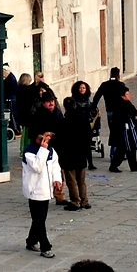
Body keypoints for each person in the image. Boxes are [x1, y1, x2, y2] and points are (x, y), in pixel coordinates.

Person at [21, 130, 62, 259]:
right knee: (39, 219)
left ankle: (31, 240)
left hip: (46, 189)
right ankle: (45, 247)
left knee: (40, 217)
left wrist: (57, 179)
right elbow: (37, 167)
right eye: (45, 137)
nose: (47, 139)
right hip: (35, 190)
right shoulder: (29, 151)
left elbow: (55, 165)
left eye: (50, 136)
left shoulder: (51, 150)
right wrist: (43, 150)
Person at [56, 97, 91, 211]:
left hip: (68, 154)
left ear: (65, 107)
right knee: (81, 180)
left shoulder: (63, 122)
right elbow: (88, 137)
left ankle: (75, 201)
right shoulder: (83, 119)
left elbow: (60, 140)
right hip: (81, 152)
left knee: (71, 180)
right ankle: (84, 200)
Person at [107, 89, 137, 173]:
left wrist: (135, 117)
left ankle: (134, 166)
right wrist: (130, 117)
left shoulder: (128, 104)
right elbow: (119, 118)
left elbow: (135, 114)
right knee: (121, 149)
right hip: (122, 132)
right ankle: (113, 166)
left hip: (130, 131)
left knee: (132, 148)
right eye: (127, 94)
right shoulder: (119, 105)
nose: (129, 96)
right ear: (122, 96)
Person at [69, 80, 99, 169]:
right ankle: (80, 162)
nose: (82, 89)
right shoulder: (74, 99)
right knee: (79, 145)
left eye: (84, 88)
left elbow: (90, 109)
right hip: (78, 124)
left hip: (87, 124)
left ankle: (90, 163)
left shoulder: (87, 99)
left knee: (87, 144)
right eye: (80, 88)